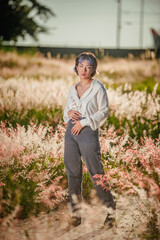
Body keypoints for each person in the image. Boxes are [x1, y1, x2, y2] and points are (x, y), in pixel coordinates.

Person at [63, 52, 116, 228]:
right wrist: (69, 114)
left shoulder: (98, 88)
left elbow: (104, 112)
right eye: (81, 66)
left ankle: (110, 212)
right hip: (71, 132)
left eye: (88, 67)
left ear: (93, 69)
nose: (84, 70)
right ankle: (76, 214)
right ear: (76, 67)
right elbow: (66, 111)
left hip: (88, 132)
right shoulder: (73, 88)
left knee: (96, 173)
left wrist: (84, 122)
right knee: (73, 173)